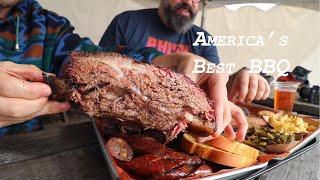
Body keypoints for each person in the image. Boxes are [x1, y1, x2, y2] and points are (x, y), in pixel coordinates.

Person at [0, 0, 247, 141]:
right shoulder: (129, 20)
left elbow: (92, 62)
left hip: (31, 152)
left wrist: (173, 64)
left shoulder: (47, 24)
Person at [99, 0, 270, 105]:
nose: (188, 1)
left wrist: (239, 79)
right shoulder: (127, 21)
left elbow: (214, 82)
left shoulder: (203, 38)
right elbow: (99, 65)